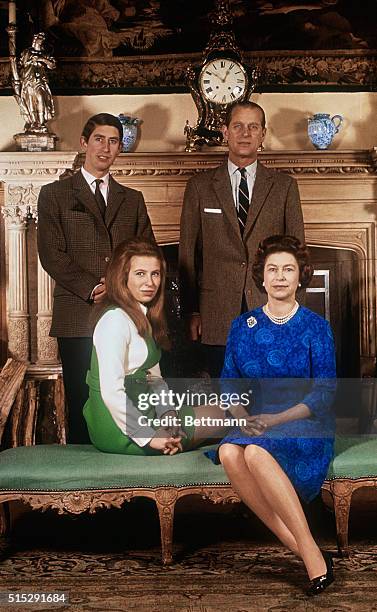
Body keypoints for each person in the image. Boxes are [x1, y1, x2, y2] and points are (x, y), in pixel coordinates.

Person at [206, 235, 336, 595]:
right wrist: (242, 415)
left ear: (300, 277)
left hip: (306, 421)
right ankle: (305, 549)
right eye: (272, 270)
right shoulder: (242, 326)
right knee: (229, 451)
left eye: (288, 270)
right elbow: (228, 381)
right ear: (261, 277)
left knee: (256, 451)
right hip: (257, 418)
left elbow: (325, 391)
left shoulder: (316, 326)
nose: (280, 277)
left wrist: (273, 422)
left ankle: (310, 553)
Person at [37, 113, 154, 443]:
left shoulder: (132, 200)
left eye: (114, 141)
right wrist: (93, 287)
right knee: (83, 402)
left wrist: (121, 289)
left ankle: (127, 483)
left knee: (128, 399)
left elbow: (146, 252)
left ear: (120, 149)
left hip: (125, 315)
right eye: (99, 139)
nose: (106, 147)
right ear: (84, 143)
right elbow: (51, 255)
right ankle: (82, 489)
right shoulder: (54, 195)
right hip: (77, 315)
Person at [179, 100, 305, 377]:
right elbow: (188, 254)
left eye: (252, 127)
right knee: (225, 399)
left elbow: (298, 256)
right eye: (238, 126)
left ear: (263, 134)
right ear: (225, 132)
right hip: (216, 312)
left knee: (269, 396)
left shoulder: (284, 187)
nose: (245, 133)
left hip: (270, 308)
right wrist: (191, 311)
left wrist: (294, 314)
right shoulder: (199, 187)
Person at [84, 239, 226, 455]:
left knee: (226, 410)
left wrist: (168, 415)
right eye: (140, 273)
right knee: (226, 414)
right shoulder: (114, 319)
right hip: (120, 428)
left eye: (155, 274)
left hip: (143, 410)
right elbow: (111, 391)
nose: (150, 282)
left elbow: (155, 381)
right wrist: (149, 436)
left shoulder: (142, 316)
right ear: (122, 277)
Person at [18, 32, 56, 132]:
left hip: (40, 81)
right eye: (38, 38)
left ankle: (41, 123)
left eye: (41, 38)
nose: (39, 40)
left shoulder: (45, 54)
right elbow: (23, 63)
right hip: (29, 80)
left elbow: (52, 65)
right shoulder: (27, 52)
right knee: (30, 101)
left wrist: (41, 59)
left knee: (41, 98)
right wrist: (32, 59)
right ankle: (34, 123)